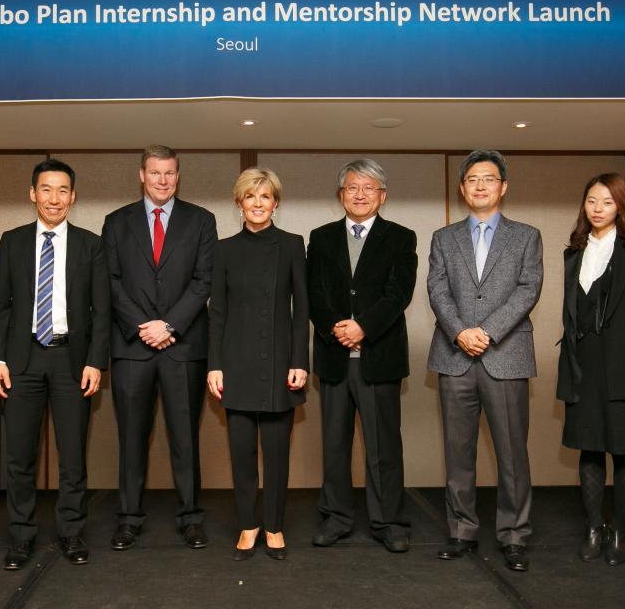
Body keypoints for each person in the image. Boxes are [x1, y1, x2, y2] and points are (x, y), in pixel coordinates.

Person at [0, 159, 111, 569]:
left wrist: (96, 362)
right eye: (46, 189)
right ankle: (21, 537)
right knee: (19, 457)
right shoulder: (11, 241)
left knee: (72, 455)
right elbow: (0, 308)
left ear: (73, 197)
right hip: (21, 360)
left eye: (62, 190)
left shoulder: (91, 245)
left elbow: (102, 311)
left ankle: (71, 533)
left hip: (71, 361)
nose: (54, 198)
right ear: (32, 194)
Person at [428, 150, 543, 572]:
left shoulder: (527, 236)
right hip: (454, 355)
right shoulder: (444, 238)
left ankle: (514, 535)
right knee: (458, 452)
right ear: (462, 188)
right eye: (472, 179)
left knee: (513, 452)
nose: (480, 185)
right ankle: (461, 531)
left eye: (489, 179)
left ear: (503, 187)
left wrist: (488, 332)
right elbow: (437, 289)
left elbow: (528, 288)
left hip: (506, 354)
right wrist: (460, 332)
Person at [101, 144, 218, 551]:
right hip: (133, 349)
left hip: (182, 348)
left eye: (169, 173)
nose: (162, 180)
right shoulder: (115, 222)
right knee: (132, 438)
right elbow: (110, 283)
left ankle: (190, 518)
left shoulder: (202, 221)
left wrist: (169, 325)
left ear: (178, 175)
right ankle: (129, 518)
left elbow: (204, 281)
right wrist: (143, 327)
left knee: (184, 438)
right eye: (155, 173)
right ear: (141, 175)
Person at [307, 158, 417, 554]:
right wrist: (335, 328)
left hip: (379, 357)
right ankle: (336, 517)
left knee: (383, 445)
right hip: (334, 357)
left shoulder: (401, 237)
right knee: (334, 444)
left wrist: (363, 327)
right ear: (341, 194)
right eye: (352, 187)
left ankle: (389, 521)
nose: (359, 194)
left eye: (369, 188)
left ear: (382, 196)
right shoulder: (320, 237)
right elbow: (313, 294)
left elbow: (398, 294)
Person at [557, 172, 625, 566]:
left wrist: (622, 346)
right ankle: (594, 528)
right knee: (591, 447)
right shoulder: (573, 251)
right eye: (591, 202)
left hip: (624, 365)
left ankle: (621, 531)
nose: (598, 209)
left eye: (607, 202)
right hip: (583, 365)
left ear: (621, 207)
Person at [207, 168, 308, 561]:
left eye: (265, 196)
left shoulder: (292, 245)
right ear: (239, 204)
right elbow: (217, 314)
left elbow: (302, 311)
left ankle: (274, 526)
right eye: (251, 197)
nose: (258, 203)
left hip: (281, 364)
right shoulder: (224, 249)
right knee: (242, 453)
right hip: (236, 364)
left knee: (278, 453)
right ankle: (249, 526)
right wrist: (215, 365)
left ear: (276, 203)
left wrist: (300, 360)